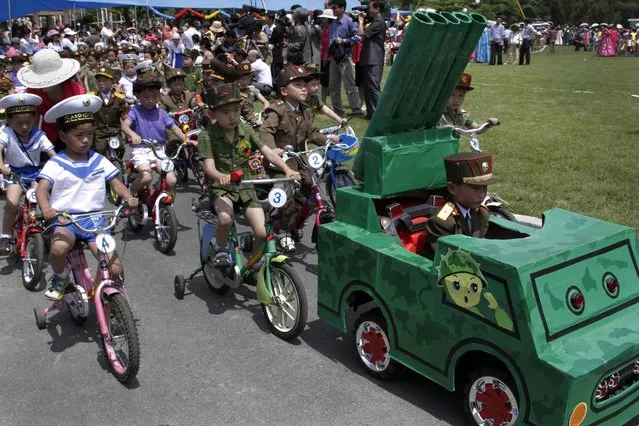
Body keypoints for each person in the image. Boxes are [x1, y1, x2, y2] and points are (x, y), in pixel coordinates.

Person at [36, 94, 137, 300]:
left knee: (115, 268)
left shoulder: (99, 160)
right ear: (63, 136)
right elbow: (41, 189)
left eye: (90, 135)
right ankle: (61, 276)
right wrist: (46, 208)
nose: (85, 140)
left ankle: (101, 293)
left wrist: (129, 197)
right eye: (79, 135)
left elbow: (115, 182)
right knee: (58, 248)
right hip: (67, 219)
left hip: (96, 219)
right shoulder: (56, 163)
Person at [198, 82, 300, 266]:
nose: (232, 116)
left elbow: (267, 151)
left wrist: (287, 169)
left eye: (236, 110)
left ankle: (253, 265)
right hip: (222, 188)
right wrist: (220, 176)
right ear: (213, 114)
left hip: (246, 186)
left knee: (262, 232)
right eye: (226, 112)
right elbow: (209, 167)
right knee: (225, 218)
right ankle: (221, 250)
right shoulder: (207, 135)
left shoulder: (245, 129)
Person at [260, 64, 339, 251]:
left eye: (305, 84)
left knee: (309, 187)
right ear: (283, 91)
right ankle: (284, 232)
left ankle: (291, 221)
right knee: (286, 193)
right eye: (298, 84)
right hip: (279, 164)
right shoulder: (276, 110)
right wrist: (273, 150)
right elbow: (265, 131)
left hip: (299, 161)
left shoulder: (305, 110)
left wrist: (327, 139)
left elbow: (312, 132)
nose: (304, 88)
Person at [0, 94, 56, 255]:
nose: (24, 127)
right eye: (19, 123)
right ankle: (5, 236)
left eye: (28, 122)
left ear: (34, 119)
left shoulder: (39, 135)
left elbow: (52, 154)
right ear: (9, 121)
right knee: (11, 204)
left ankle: (51, 232)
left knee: (44, 202)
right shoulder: (6, 132)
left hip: (36, 174)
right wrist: (2, 165)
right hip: (15, 173)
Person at [121, 72, 187, 200]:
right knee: (146, 177)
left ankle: (167, 201)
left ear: (159, 96)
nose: (151, 100)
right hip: (141, 150)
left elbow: (174, 128)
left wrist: (186, 139)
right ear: (138, 96)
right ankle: (129, 196)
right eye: (146, 97)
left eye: (154, 96)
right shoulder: (135, 111)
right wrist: (133, 134)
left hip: (159, 150)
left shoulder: (161, 112)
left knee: (172, 180)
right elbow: (125, 126)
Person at [423, 152, 494, 256]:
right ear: (452, 189)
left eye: (485, 187)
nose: (482, 195)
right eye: (475, 188)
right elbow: (448, 259)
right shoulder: (442, 222)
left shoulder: (482, 213)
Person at [18, 49, 85, 152]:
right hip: (48, 137)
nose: (41, 84)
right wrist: (33, 142)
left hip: (74, 134)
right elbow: (33, 119)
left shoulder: (76, 91)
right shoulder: (33, 91)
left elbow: (82, 122)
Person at [328, 0, 363, 117]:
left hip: (345, 57)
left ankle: (356, 109)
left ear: (342, 8)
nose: (333, 10)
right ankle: (338, 110)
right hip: (334, 58)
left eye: (335, 8)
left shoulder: (349, 21)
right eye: (332, 8)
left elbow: (358, 38)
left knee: (349, 85)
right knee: (333, 86)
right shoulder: (333, 23)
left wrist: (344, 41)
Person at [160, 67, 199, 155]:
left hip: (189, 126)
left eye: (180, 84)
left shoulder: (188, 95)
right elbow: (161, 111)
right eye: (175, 85)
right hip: (174, 129)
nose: (178, 87)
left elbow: (194, 106)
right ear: (169, 86)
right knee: (173, 142)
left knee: (199, 137)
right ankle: (173, 157)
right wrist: (164, 113)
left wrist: (198, 106)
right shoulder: (165, 99)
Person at [357, 0, 386, 119]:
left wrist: (360, 20)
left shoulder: (379, 21)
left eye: (369, 8)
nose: (368, 10)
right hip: (368, 58)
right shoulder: (375, 21)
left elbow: (361, 33)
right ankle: (371, 113)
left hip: (374, 59)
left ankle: (379, 114)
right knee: (368, 87)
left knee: (373, 87)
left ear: (377, 8)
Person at [93, 67, 129, 157]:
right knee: (99, 150)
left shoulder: (119, 98)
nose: (101, 83)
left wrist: (127, 119)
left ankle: (121, 164)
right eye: (99, 81)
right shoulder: (93, 98)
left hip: (115, 131)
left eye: (104, 80)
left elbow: (124, 113)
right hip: (100, 132)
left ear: (112, 82)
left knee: (120, 149)